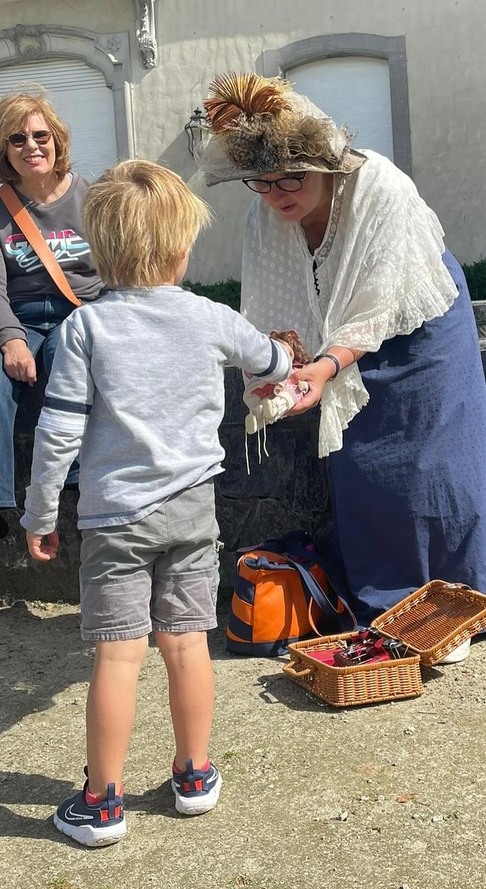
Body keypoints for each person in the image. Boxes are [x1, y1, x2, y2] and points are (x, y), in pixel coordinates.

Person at [21, 159, 294, 847]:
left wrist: (40, 514)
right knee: (186, 644)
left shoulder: (85, 330)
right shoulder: (209, 317)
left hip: (116, 517)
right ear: (180, 248)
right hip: (192, 510)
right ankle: (195, 773)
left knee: (118, 656)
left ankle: (102, 801)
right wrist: (288, 360)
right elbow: (273, 363)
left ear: (99, 250)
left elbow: (59, 432)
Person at [199, 73, 486, 647]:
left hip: (422, 320)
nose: (278, 194)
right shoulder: (268, 211)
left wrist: (325, 367)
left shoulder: (383, 189)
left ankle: (463, 606)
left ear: (325, 162)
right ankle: (389, 604)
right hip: (340, 337)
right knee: (361, 466)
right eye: (263, 183)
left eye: (292, 176)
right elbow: (275, 304)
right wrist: (280, 369)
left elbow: (377, 298)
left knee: (435, 464)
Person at [0, 90, 104, 537]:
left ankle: (79, 482)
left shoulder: (93, 197)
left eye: (40, 135)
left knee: (68, 355)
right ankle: (3, 501)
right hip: (18, 314)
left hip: (79, 311)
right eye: (17, 139)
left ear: (57, 140)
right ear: (4, 150)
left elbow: (116, 270)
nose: (31, 146)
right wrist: (11, 339)